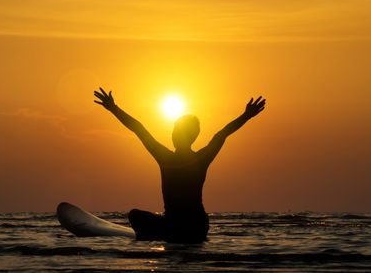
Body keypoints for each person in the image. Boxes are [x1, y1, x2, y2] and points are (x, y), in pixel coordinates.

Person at [94, 87, 266, 243]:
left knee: (134, 215)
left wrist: (114, 109)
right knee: (140, 216)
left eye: (176, 131)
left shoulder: (166, 158)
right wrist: (246, 116)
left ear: (184, 136)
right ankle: (161, 229)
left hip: (176, 225)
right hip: (198, 226)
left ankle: (155, 232)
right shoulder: (201, 158)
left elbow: (139, 129)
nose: (173, 134)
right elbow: (221, 135)